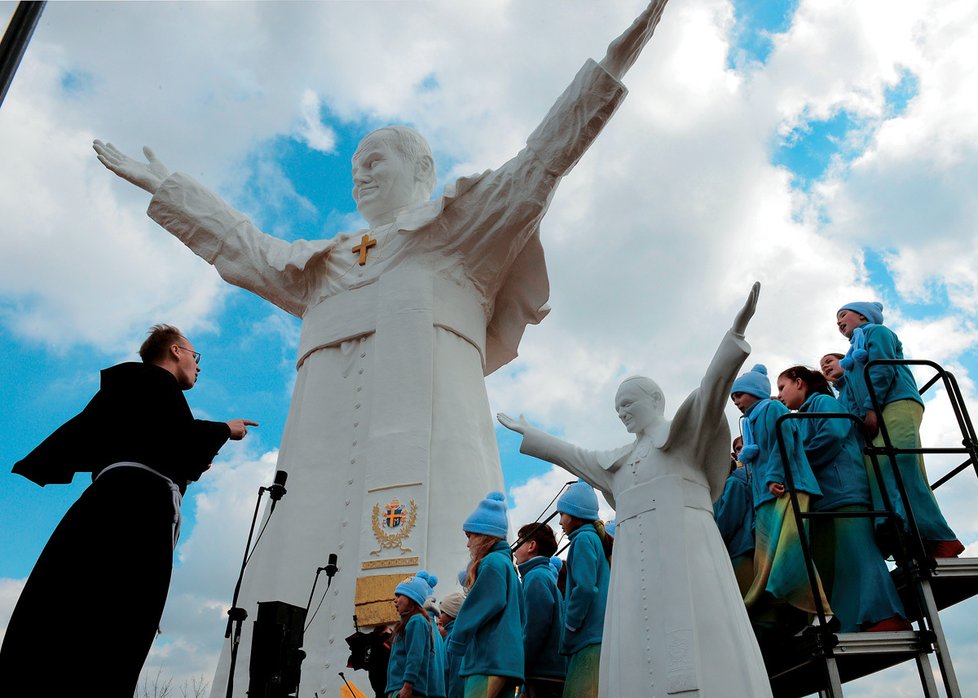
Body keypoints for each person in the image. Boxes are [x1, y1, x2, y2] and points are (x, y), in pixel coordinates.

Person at [91, 2, 672, 687]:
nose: (360, 176)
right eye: (354, 168)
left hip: (432, 451)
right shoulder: (325, 265)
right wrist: (173, 191)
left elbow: (537, 165)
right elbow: (245, 247)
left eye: (374, 161)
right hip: (316, 461)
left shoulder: (458, 237)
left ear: (421, 168)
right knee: (285, 610)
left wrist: (607, 69)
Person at [498, 283, 772, 697]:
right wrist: (532, 433)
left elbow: (712, 389)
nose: (624, 413)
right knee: (635, 647)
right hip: (634, 574)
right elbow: (573, 455)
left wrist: (734, 336)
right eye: (618, 409)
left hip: (688, 557)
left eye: (630, 403)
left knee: (703, 639)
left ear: (656, 400)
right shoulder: (619, 464)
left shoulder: (683, 441)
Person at [0, 324, 255, 697]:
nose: (198, 367)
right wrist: (224, 430)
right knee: (118, 618)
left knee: (71, 610)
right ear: (175, 351)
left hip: (113, 506)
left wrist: (187, 460)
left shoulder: (127, 392)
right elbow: (176, 438)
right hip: (133, 513)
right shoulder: (150, 383)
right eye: (195, 356)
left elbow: (157, 441)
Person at [776, 366, 909, 633]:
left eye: (782, 387)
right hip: (826, 496)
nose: (779, 395)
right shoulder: (801, 416)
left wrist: (798, 466)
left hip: (844, 488)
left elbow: (832, 434)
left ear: (799, 383)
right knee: (842, 565)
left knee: (859, 552)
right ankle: (852, 622)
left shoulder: (823, 402)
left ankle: (886, 615)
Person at [835, 301, 963, 558]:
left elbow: (881, 367)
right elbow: (850, 398)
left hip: (896, 401)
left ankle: (925, 532)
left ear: (861, 315)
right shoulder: (850, 358)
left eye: (842, 314)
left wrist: (871, 407)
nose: (838, 321)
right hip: (876, 409)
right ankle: (905, 530)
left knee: (897, 460)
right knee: (879, 464)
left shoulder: (877, 333)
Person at [731, 363, 830, 632]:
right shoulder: (750, 421)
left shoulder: (772, 408)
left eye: (739, 394)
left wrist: (776, 476)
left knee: (791, 552)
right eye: (733, 398)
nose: (736, 401)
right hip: (767, 496)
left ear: (754, 391)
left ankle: (823, 613)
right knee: (770, 561)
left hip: (787, 487)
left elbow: (781, 442)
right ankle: (800, 616)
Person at [448, 492, 525, 697]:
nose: (468, 544)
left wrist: (457, 640)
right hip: (506, 661)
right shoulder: (507, 565)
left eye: (470, 536)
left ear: (482, 535)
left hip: (488, 659)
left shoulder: (492, 563)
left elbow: (480, 606)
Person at [552, 482, 609, 698]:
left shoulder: (583, 540)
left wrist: (571, 623)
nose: (560, 521)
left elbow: (585, 588)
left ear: (575, 514)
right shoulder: (591, 538)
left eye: (563, 514)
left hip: (588, 638)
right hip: (593, 636)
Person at [513, 522, 566, 697]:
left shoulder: (536, 577)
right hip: (550, 672)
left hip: (543, 674)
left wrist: (519, 665)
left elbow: (535, 627)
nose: (514, 550)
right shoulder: (544, 576)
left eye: (520, 542)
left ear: (532, 546)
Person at [387, 571, 447, 698]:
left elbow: (415, 656)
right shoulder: (409, 621)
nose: (395, 600)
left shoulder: (416, 621)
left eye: (399, 595)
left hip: (407, 690)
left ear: (411, 598)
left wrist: (408, 685)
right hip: (400, 688)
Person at [713, 435, 754, 597]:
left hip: (739, 548)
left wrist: (711, 540)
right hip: (730, 549)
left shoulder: (733, 483)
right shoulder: (719, 487)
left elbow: (728, 519)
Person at [438, 592, 466, 698]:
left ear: (450, 614)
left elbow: (456, 676)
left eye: (442, 612)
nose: (439, 616)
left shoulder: (455, 637)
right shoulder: (450, 636)